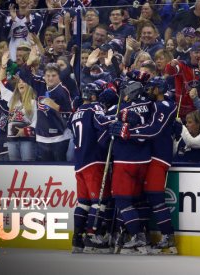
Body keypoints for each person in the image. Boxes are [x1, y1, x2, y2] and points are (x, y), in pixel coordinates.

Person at [114, 77, 178, 254]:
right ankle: (149, 236)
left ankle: (168, 237)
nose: (148, 91)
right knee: (145, 198)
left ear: (159, 89)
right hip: (151, 157)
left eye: (151, 88)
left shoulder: (164, 105)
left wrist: (128, 132)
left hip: (159, 157)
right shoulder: (155, 104)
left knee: (156, 198)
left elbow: (154, 130)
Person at [68, 83, 113, 254]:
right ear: (94, 96)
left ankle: (77, 239)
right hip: (94, 161)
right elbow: (103, 122)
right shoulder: (95, 108)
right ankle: (92, 237)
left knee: (83, 203)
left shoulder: (75, 113)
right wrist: (118, 118)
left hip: (79, 163)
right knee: (99, 202)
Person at [18, 46, 73, 162]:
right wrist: (29, 61)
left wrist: (57, 107)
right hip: (42, 137)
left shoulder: (62, 91)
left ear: (59, 76)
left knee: (59, 168)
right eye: (48, 75)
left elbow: (69, 114)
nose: (50, 78)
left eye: (53, 76)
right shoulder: (40, 83)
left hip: (59, 138)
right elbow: (23, 75)